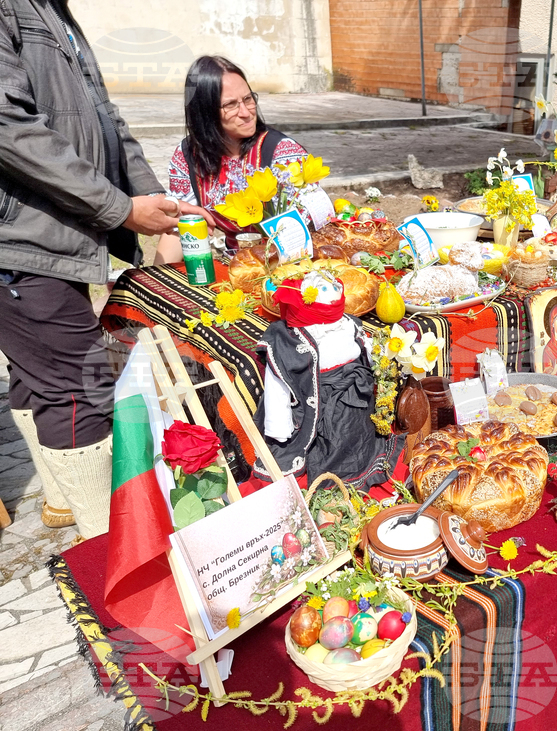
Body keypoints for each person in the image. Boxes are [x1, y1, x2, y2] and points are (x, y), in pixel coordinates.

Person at [0, 0, 211, 538]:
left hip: (56, 229)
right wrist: (119, 209)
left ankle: (59, 498)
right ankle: (110, 547)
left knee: (36, 375)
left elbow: (106, 119)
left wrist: (146, 196)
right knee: (78, 390)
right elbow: (10, 129)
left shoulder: (52, 11)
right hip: (22, 238)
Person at [254, 272, 402, 489]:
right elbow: (277, 387)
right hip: (318, 401)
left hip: (355, 396)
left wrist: (382, 358)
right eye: (324, 290)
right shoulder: (287, 341)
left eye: (335, 287)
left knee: (358, 433)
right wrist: (278, 428)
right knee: (331, 442)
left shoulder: (348, 323)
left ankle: (361, 456)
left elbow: (365, 347)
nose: (334, 293)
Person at [155, 56, 311, 261]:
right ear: (205, 111)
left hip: (290, 262)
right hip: (235, 265)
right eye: (231, 105)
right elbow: (181, 227)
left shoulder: (283, 153)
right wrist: (155, 281)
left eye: (248, 99)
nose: (246, 113)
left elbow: (307, 232)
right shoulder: (188, 156)